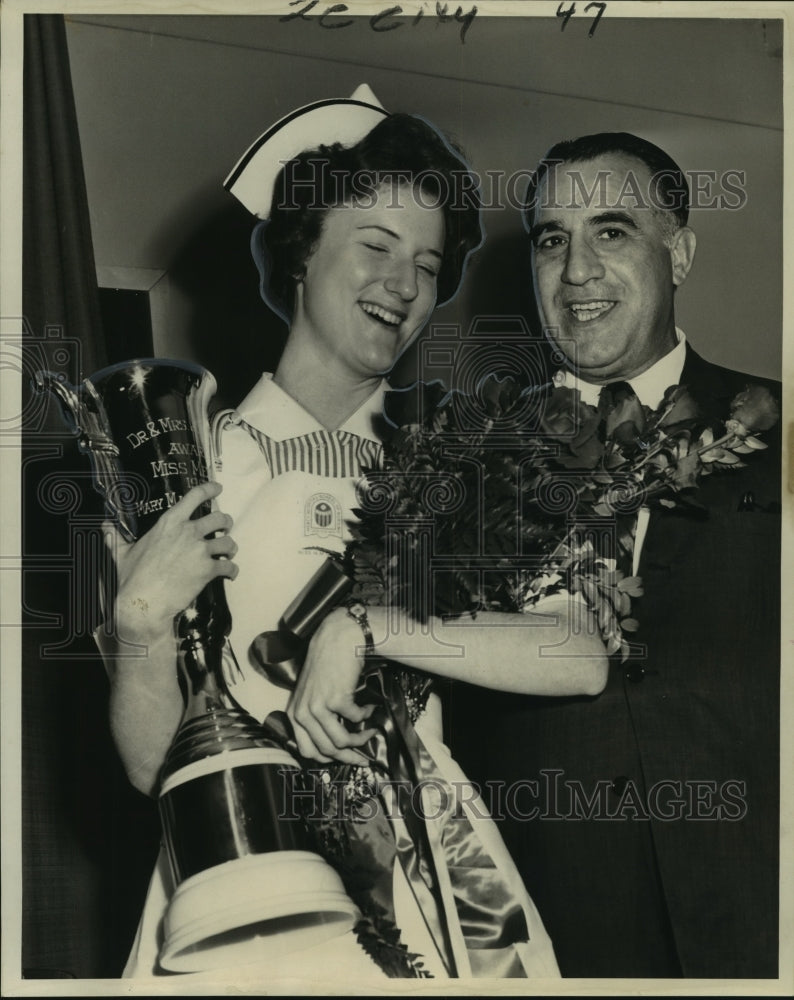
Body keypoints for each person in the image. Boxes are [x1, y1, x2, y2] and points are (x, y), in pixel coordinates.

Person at [97, 91, 609, 982]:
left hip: (435, 877)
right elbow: (152, 768)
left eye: (426, 261)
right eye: (373, 245)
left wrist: (370, 627)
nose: (404, 285)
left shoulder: (462, 464)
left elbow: (579, 651)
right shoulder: (185, 459)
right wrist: (140, 624)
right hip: (237, 868)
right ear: (302, 254)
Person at [451, 131, 781, 978]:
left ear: (679, 252)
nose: (576, 272)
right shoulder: (460, 469)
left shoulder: (782, 435)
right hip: (549, 941)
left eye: (611, 231)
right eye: (552, 239)